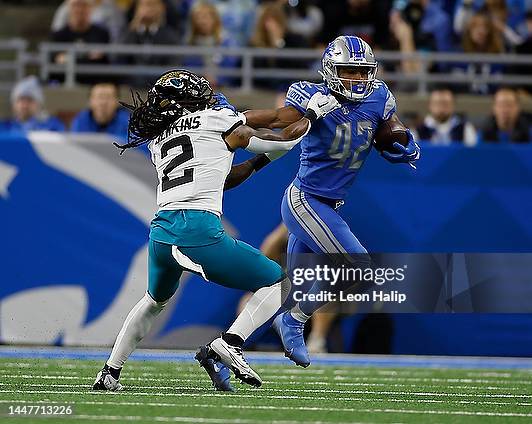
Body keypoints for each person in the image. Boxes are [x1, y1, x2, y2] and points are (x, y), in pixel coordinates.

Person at [92, 69, 340, 391]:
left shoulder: (158, 140)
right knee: (280, 283)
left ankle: (110, 372)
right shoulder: (214, 121)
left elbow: (220, 178)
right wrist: (312, 114)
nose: (207, 98)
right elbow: (284, 137)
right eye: (200, 95)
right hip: (195, 231)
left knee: (153, 302)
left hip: (162, 233)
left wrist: (256, 163)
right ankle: (230, 342)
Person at [242, 35, 420, 367]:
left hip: (330, 205)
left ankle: (228, 347)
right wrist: (237, 118)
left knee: (284, 290)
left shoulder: (379, 95)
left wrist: (403, 140)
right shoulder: (310, 93)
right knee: (359, 267)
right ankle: (294, 320)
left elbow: (390, 127)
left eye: (361, 71)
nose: (355, 78)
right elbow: (279, 120)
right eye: (347, 70)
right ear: (330, 69)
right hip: (305, 200)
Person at [50, 0, 110, 84]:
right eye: (76, 5)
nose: (79, 10)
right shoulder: (59, 35)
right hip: (64, 82)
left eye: (84, 5)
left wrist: (70, 58)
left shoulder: (101, 34)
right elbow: (56, 61)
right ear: (68, 8)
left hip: (94, 81)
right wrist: (87, 56)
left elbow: (102, 60)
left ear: (91, 9)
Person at [183, 1, 240, 87]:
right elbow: (188, 66)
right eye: (198, 17)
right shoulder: (189, 43)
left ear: (215, 19)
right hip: (197, 89)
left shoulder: (227, 42)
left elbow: (231, 66)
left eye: (205, 17)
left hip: (226, 88)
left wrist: (218, 80)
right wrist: (202, 79)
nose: (202, 21)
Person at [0, 76, 65, 133]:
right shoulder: (4, 127)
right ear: (13, 104)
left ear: (39, 104)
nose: (25, 105)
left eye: (30, 100)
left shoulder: (52, 126)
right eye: (21, 100)